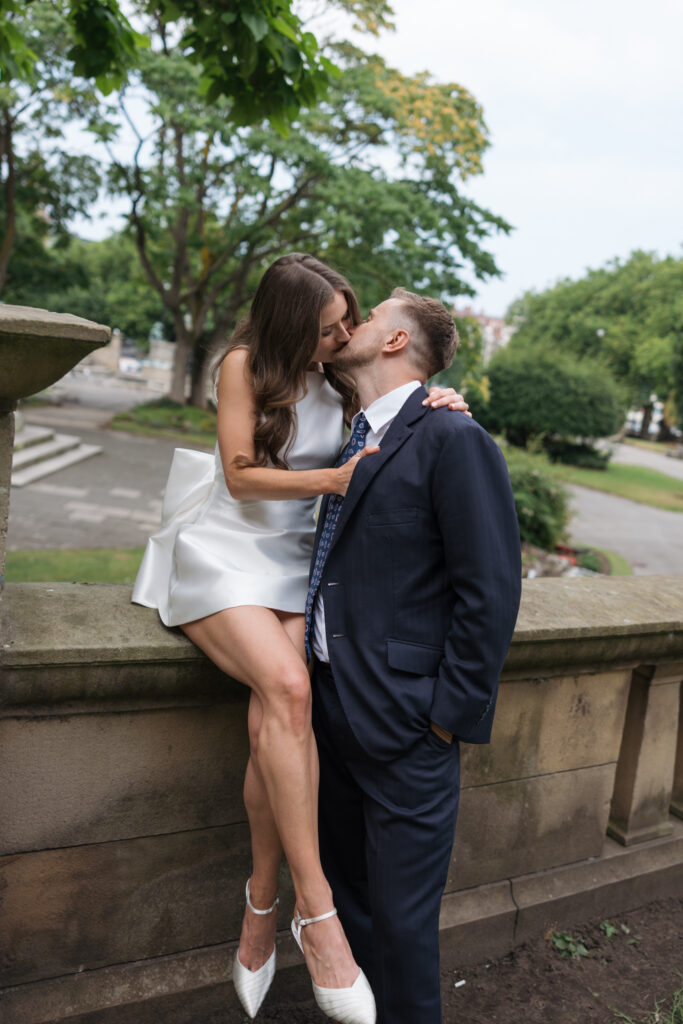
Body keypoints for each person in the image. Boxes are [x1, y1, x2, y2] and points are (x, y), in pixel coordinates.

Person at [132, 254, 468, 1023]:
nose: (345, 334)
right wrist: (332, 480)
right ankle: (315, 917)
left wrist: (440, 396)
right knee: (287, 687)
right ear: (291, 324)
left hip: (292, 568)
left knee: (273, 714)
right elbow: (242, 473)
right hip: (225, 554)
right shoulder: (245, 364)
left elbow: (395, 407)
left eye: (349, 320)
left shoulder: (340, 372)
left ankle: (258, 906)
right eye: (328, 326)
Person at [306, 288, 522, 1024]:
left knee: (401, 929)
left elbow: (488, 591)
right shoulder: (348, 430)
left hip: (406, 727)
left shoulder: (454, 439)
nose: (349, 327)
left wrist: (443, 720)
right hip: (328, 712)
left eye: (367, 319)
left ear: (396, 342)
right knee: (349, 906)